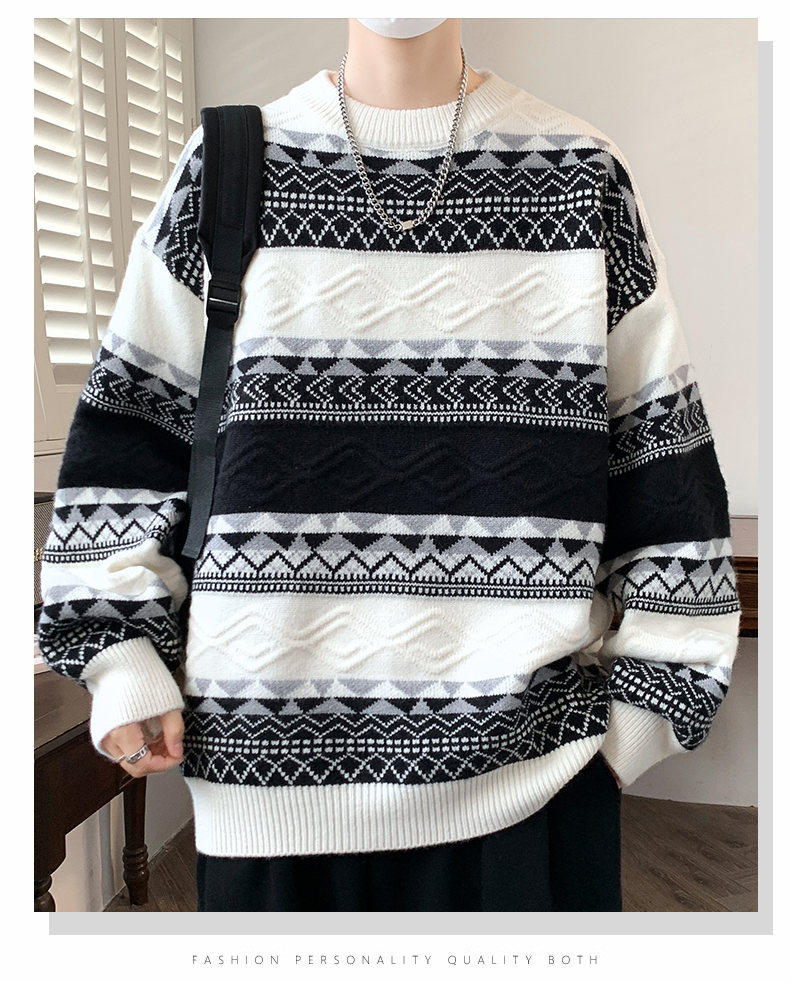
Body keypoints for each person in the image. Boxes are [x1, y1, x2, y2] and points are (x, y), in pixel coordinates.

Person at [37, 18, 741, 912]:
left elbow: (664, 460)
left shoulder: (580, 174)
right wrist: (120, 651)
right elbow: (128, 437)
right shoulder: (227, 169)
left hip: (531, 792)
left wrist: (640, 720)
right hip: (266, 798)